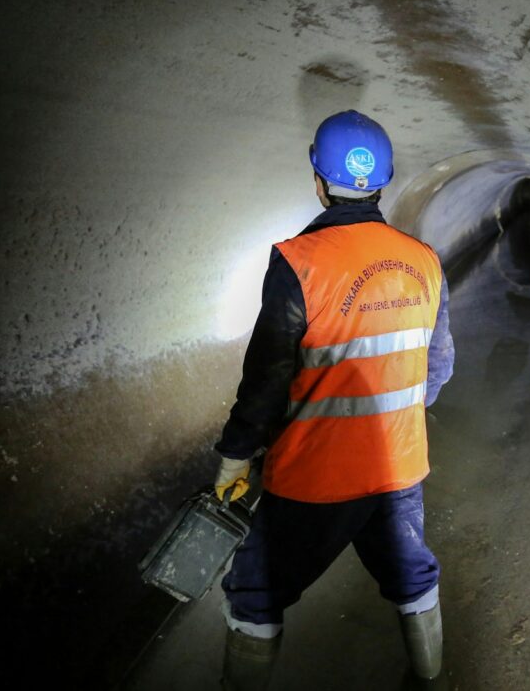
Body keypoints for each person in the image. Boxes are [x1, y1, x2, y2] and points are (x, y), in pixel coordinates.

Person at [211, 110, 455, 690]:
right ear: (383, 184)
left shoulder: (299, 262)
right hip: (398, 468)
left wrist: (236, 456)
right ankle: (430, 681)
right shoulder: (424, 260)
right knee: (412, 578)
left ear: (318, 180)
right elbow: (439, 366)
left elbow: (267, 380)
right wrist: (393, 421)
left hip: (315, 473)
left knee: (255, 589)